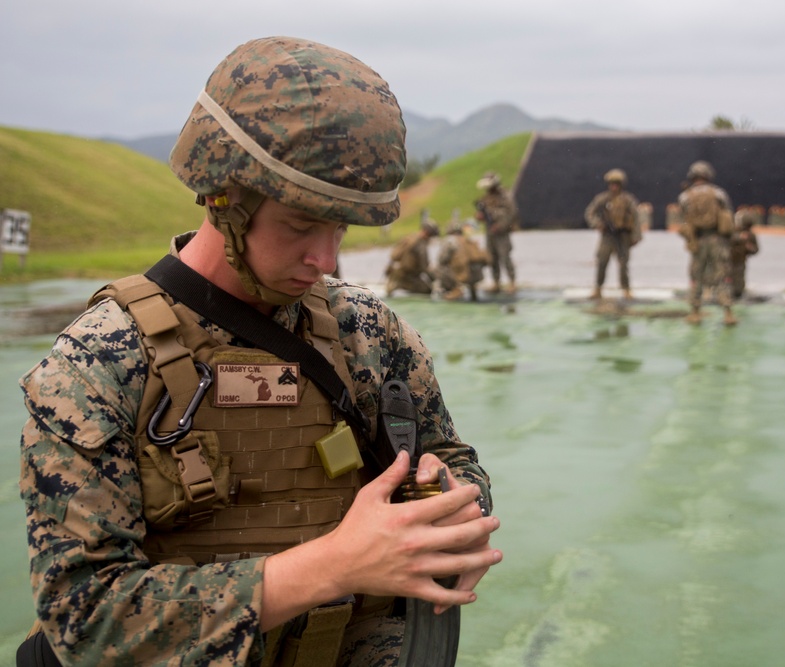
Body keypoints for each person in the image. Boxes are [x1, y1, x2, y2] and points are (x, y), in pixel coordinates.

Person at [17, 37, 500, 667]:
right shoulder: (98, 366)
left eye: (341, 229)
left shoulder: (369, 333)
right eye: (301, 226)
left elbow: (450, 454)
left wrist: (453, 507)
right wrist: (332, 566)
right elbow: (86, 619)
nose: (326, 260)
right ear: (225, 199)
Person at [677, 160, 738, 325]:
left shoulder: (684, 197)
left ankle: (695, 312)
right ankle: (728, 313)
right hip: (717, 239)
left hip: (698, 241)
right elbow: (728, 214)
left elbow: (683, 219)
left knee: (696, 276)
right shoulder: (718, 193)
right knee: (723, 275)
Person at [584, 168, 640, 301]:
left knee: (623, 264)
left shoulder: (628, 200)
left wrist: (635, 236)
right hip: (607, 235)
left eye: (617, 184)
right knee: (602, 261)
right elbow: (590, 213)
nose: (614, 186)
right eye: (612, 183)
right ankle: (598, 288)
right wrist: (597, 224)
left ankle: (626, 289)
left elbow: (636, 217)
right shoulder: (603, 199)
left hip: (623, 236)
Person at [474, 171, 520, 294]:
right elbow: (483, 214)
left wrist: (500, 226)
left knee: (505, 257)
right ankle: (496, 282)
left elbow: (511, 214)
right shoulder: (486, 198)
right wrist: (480, 217)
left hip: (502, 232)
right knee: (492, 258)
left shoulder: (505, 196)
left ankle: (512, 282)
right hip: (490, 232)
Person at [385, 209, 439, 296]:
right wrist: (435, 279)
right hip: (407, 275)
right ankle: (400, 285)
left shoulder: (410, 237)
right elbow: (424, 266)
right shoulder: (421, 245)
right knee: (427, 290)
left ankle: (394, 283)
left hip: (395, 271)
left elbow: (394, 254)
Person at [436, 218, 490, 301]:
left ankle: (455, 289)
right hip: (476, 275)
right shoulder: (468, 239)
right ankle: (473, 290)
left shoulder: (449, 240)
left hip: (462, 274)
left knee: (440, 267)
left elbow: (442, 259)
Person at [729, 209, 760, 300]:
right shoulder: (732, 232)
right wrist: (739, 238)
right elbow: (726, 241)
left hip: (740, 262)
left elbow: (756, 250)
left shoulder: (750, 235)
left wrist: (749, 248)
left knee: (739, 283)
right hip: (728, 260)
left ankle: (737, 295)